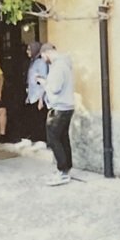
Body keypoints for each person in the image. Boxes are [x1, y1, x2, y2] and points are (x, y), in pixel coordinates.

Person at [39, 43, 75, 185]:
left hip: (59, 107)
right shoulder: (64, 64)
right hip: (67, 106)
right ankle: (66, 169)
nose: (43, 60)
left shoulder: (58, 66)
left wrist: (43, 82)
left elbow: (54, 88)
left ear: (47, 53)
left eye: (43, 57)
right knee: (63, 138)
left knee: (53, 139)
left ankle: (63, 171)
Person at [24, 41, 49, 144]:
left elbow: (44, 81)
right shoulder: (33, 62)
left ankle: (41, 141)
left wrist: (41, 100)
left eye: (29, 49)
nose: (27, 52)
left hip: (39, 97)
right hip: (33, 96)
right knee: (34, 119)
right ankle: (36, 139)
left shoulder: (41, 62)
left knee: (40, 120)